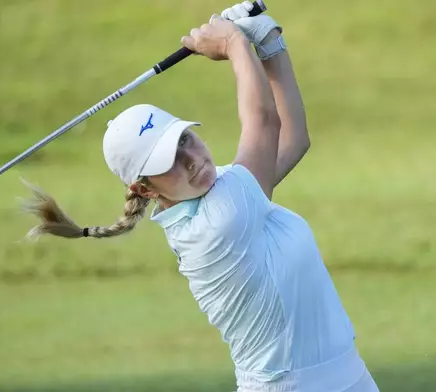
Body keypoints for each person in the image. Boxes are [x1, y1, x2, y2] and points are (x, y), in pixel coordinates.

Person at [22, 2, 380, 391]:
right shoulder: (217, 223)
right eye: (169, 160)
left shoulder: (224, 190)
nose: (191, 160)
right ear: (144, 189)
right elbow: (264, 120)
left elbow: (292, 139)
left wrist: (269, 44)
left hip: (349, 377)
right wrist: (232, 44)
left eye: (185, 139)